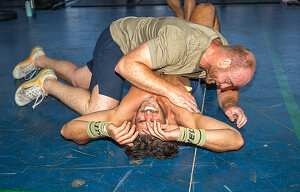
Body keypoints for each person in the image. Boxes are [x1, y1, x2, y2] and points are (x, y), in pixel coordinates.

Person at [13, 3, 256, 129]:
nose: (224, 86)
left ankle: (39, 59)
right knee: (97, 110)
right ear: (224, 61)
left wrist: (231, 106)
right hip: (121, 44)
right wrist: (172, 91)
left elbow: (207, 10)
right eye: (228, 81)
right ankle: (47, 83)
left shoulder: (220, 50)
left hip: (145, 53)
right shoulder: (179, 43)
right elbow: (125, 67)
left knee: (79, 79)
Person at [60, 72, 244, 159]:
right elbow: (235, 139)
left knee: (78, 77)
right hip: (188, 69)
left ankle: (43, 69)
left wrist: (105, 128)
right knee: (205, 9)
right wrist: (183, 134)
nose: (147, 113)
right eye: (154, 120)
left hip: (150, 55)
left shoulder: (122, 115)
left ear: (132, 121)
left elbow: (67, 130)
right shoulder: (182, 116)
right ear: (169, 122)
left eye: (141, 120)